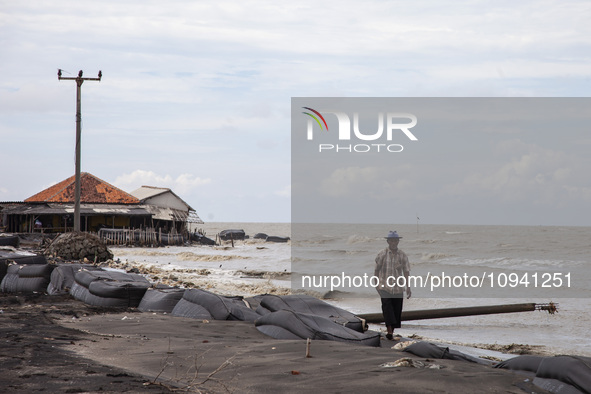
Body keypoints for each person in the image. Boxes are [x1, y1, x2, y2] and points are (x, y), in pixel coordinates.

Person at [374, 230, 411, 340]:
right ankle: (389, 331)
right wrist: (376, 283)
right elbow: (377, 270)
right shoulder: (382, 254)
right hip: (384, 286)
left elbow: (406, 271)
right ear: (388, 241)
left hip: (398, 288)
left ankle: (392, 330)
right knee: (387, 307)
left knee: (396, 310)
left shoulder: (402, 255)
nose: (393, 242)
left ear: (398, 241)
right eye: (391, 240)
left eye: (395, 240)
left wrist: (408, 287)